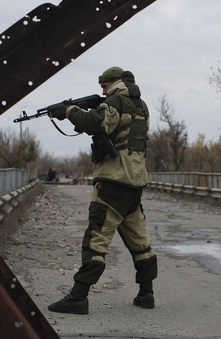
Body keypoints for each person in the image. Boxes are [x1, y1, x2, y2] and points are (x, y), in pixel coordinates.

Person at [47, 66, 158, 314]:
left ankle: (78, 296)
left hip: (112, 184)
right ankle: (146, 293)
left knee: (96, 241)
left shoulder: (116, 101)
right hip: (135, 184)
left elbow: (96, 123)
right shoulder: (141, 106)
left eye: (104, 85)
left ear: (115, 82)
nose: (102, 90)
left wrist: (68, 110)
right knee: (140, 242)